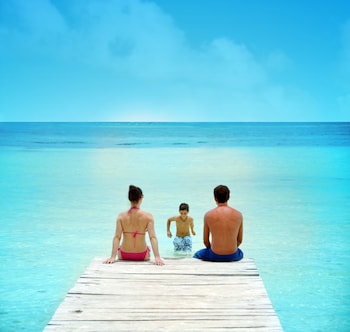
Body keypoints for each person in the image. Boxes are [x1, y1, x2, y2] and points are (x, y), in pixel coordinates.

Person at [104, 185, 164, 265]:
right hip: (142, 255)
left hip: (124, 254)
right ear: (141, 198)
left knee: (120, 246)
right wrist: (157, 257)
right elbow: (152, 237)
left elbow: (117, 237)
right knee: (147, 248)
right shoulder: (148, 216)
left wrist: (112, 256)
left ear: (129, 198)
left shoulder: (121, 216)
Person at [193, 185, 243, 262]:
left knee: (197, 254)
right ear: (229, 197)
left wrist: (212, 251)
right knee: (240, 252)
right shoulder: (238, 215)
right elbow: (239, 240)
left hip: (214, 254)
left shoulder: (208, 215)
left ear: (215, 198)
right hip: (232, 255)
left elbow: (205, 241)